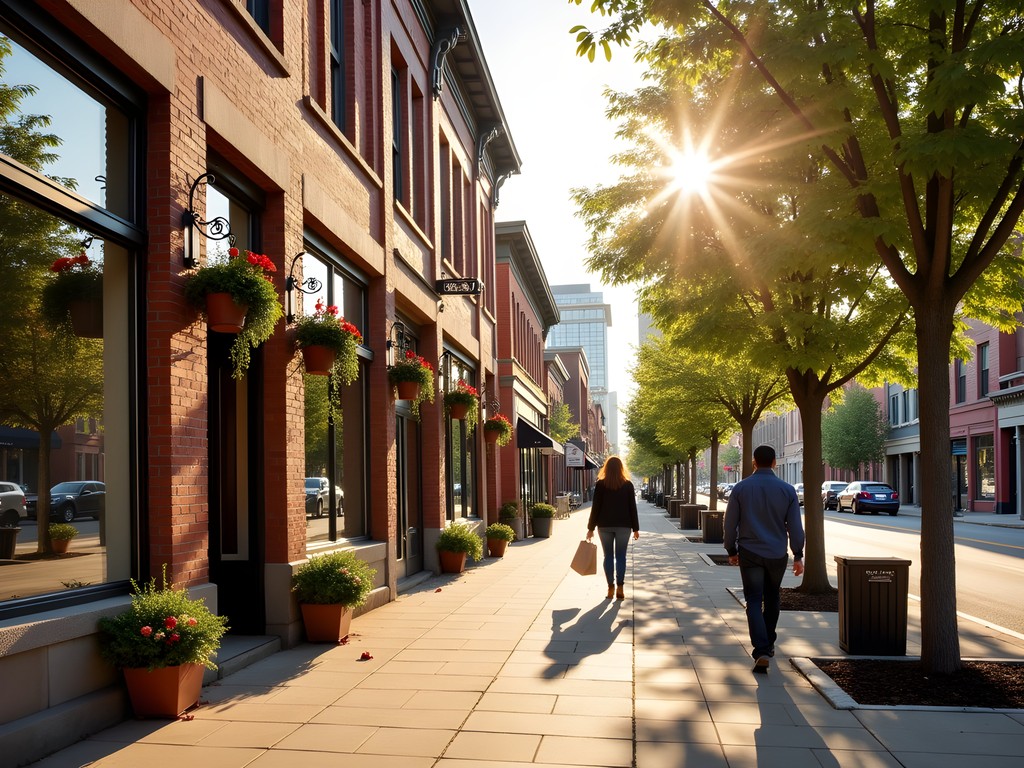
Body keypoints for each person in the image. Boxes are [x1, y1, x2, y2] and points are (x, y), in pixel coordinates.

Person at [724, 444, 805, 674]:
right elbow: (795, 527)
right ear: (774, 463)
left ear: (753, 462)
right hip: (777, 553)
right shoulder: (787, 490)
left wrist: (731, 549)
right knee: (772, 598)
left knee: (753, 599)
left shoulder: (740, 488)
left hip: (750, 552)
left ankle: (760, 650)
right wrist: (798, 555)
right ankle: (768, 644)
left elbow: (730, 524)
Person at [586, 456, 640, 600]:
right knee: (621, 556)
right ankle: (620, 588)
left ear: (607, 468)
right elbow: (632, 508)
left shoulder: (601, 485)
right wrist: (636, 528)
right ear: (621, 468)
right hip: (624, 525)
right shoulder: (628, 485)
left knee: (608, 556)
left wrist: (590, 528)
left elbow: (595, 508)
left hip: (604, 525)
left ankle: (610, 587)